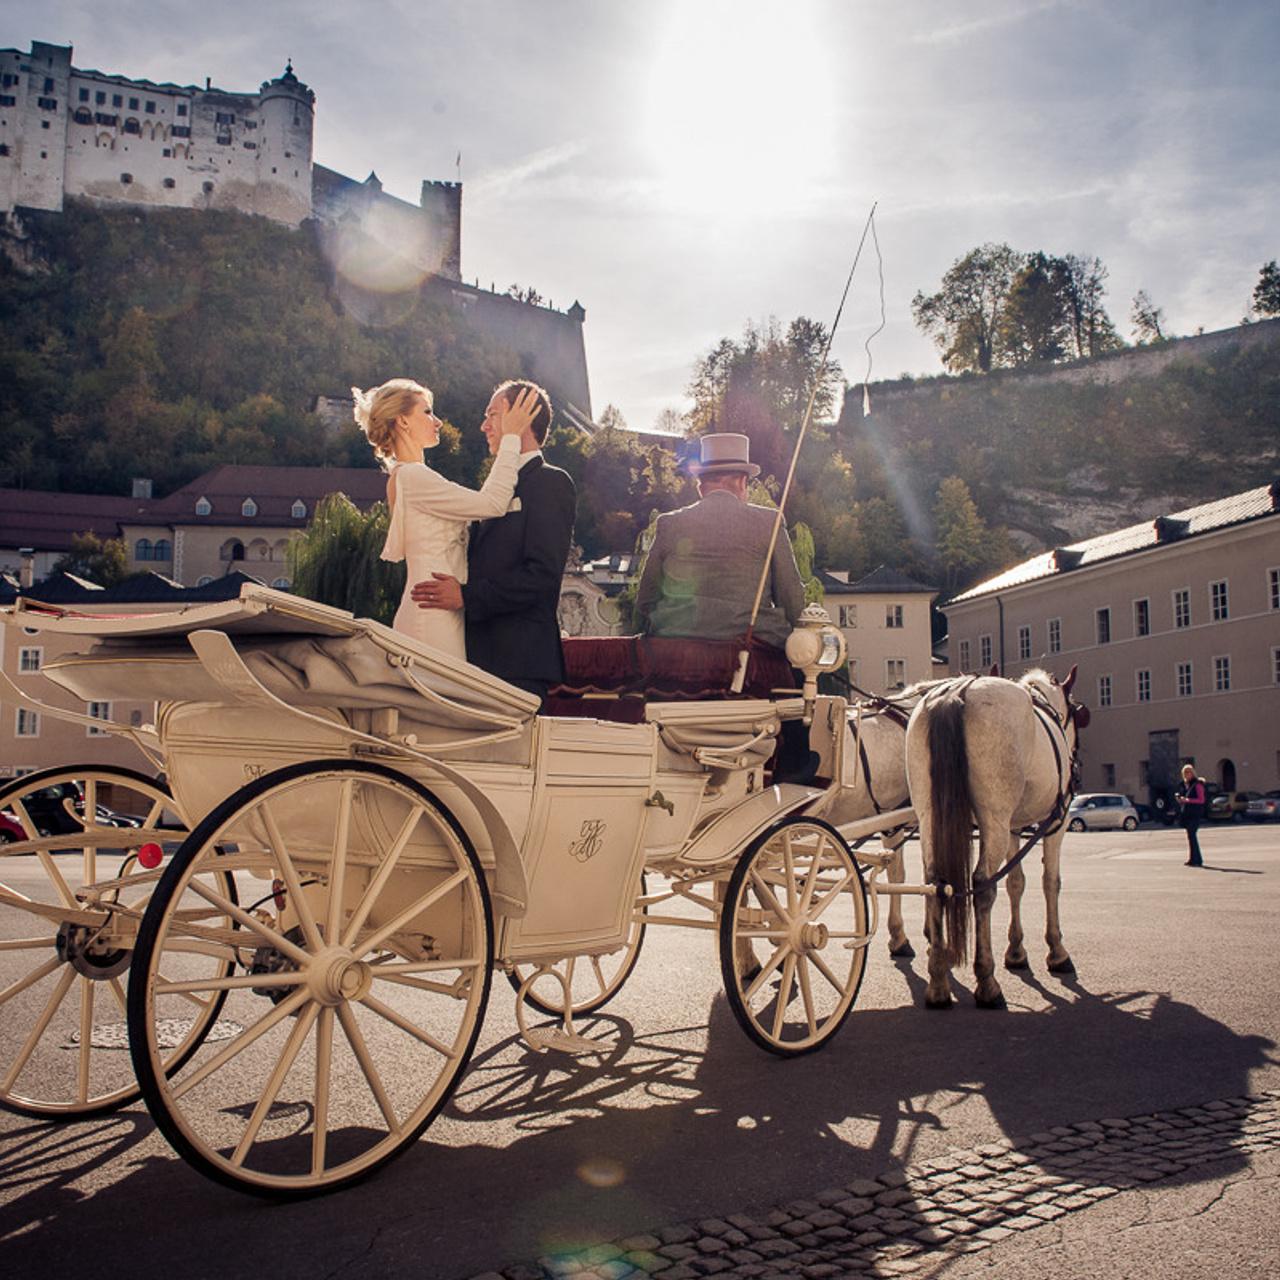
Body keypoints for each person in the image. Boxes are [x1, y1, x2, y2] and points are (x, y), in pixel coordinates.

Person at [410, 380, 576, 704]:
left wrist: (465, 595)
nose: (483, 426)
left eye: (492, 415)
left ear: (522, 417)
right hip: (474, 659)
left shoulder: (551, 482)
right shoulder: (493, 489)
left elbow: (542, 575)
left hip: (517, 661)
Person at [354, 377, 536, 661]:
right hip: (431, 615)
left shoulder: (405, 477)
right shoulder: (413, 477)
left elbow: (484, 504)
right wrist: (511, 436)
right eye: (427, 412)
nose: (438, 422)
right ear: (403, 421)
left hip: (436, 607)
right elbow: (492, 503)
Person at [635, 432, 806, 648]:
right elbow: (792, 602)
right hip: (753, 649)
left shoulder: (668, 524)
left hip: (678, 649)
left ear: (701, 489)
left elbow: (645, 601)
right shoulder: (770, 522)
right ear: (743, 482)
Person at [1175, 763, 1206, 866]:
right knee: (1190, 836)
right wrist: (1180, 800)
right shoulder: (1184, 785)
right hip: (1187, 813)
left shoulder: (1197, 785)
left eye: (1188, 772)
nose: (1187, 774)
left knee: (1192, 834)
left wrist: (1188, 800)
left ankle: (1198, 859)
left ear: (1193, 773)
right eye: (1185, 772)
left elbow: (1201, 800)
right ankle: (1193, 858)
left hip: (1195, 813)